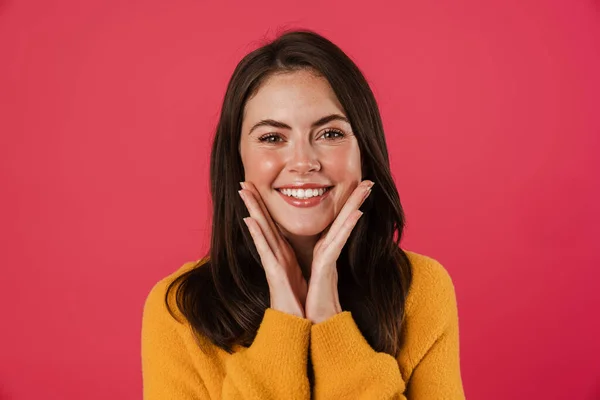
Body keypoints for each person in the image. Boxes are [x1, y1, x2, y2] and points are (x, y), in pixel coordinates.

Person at [141, 29, 465, 399]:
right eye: (272, 138)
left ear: (365, 151)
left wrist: (330, 323)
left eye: (329, 133)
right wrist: (284, 325)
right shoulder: (180, 309)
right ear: (237, 159)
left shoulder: (419, 289)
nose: (303, 163)